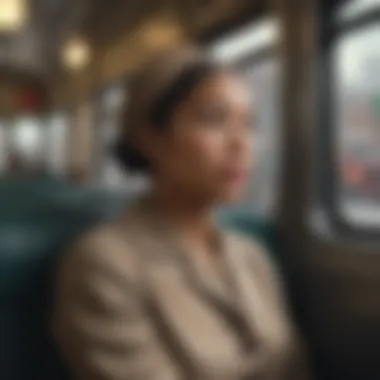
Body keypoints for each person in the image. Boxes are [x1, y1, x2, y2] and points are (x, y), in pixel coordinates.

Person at [52, 47, 313, 380]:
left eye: (248, 124)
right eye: (215, 120)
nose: (241, 143)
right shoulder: (103, 266)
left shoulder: (253, 257)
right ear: (151, 139)